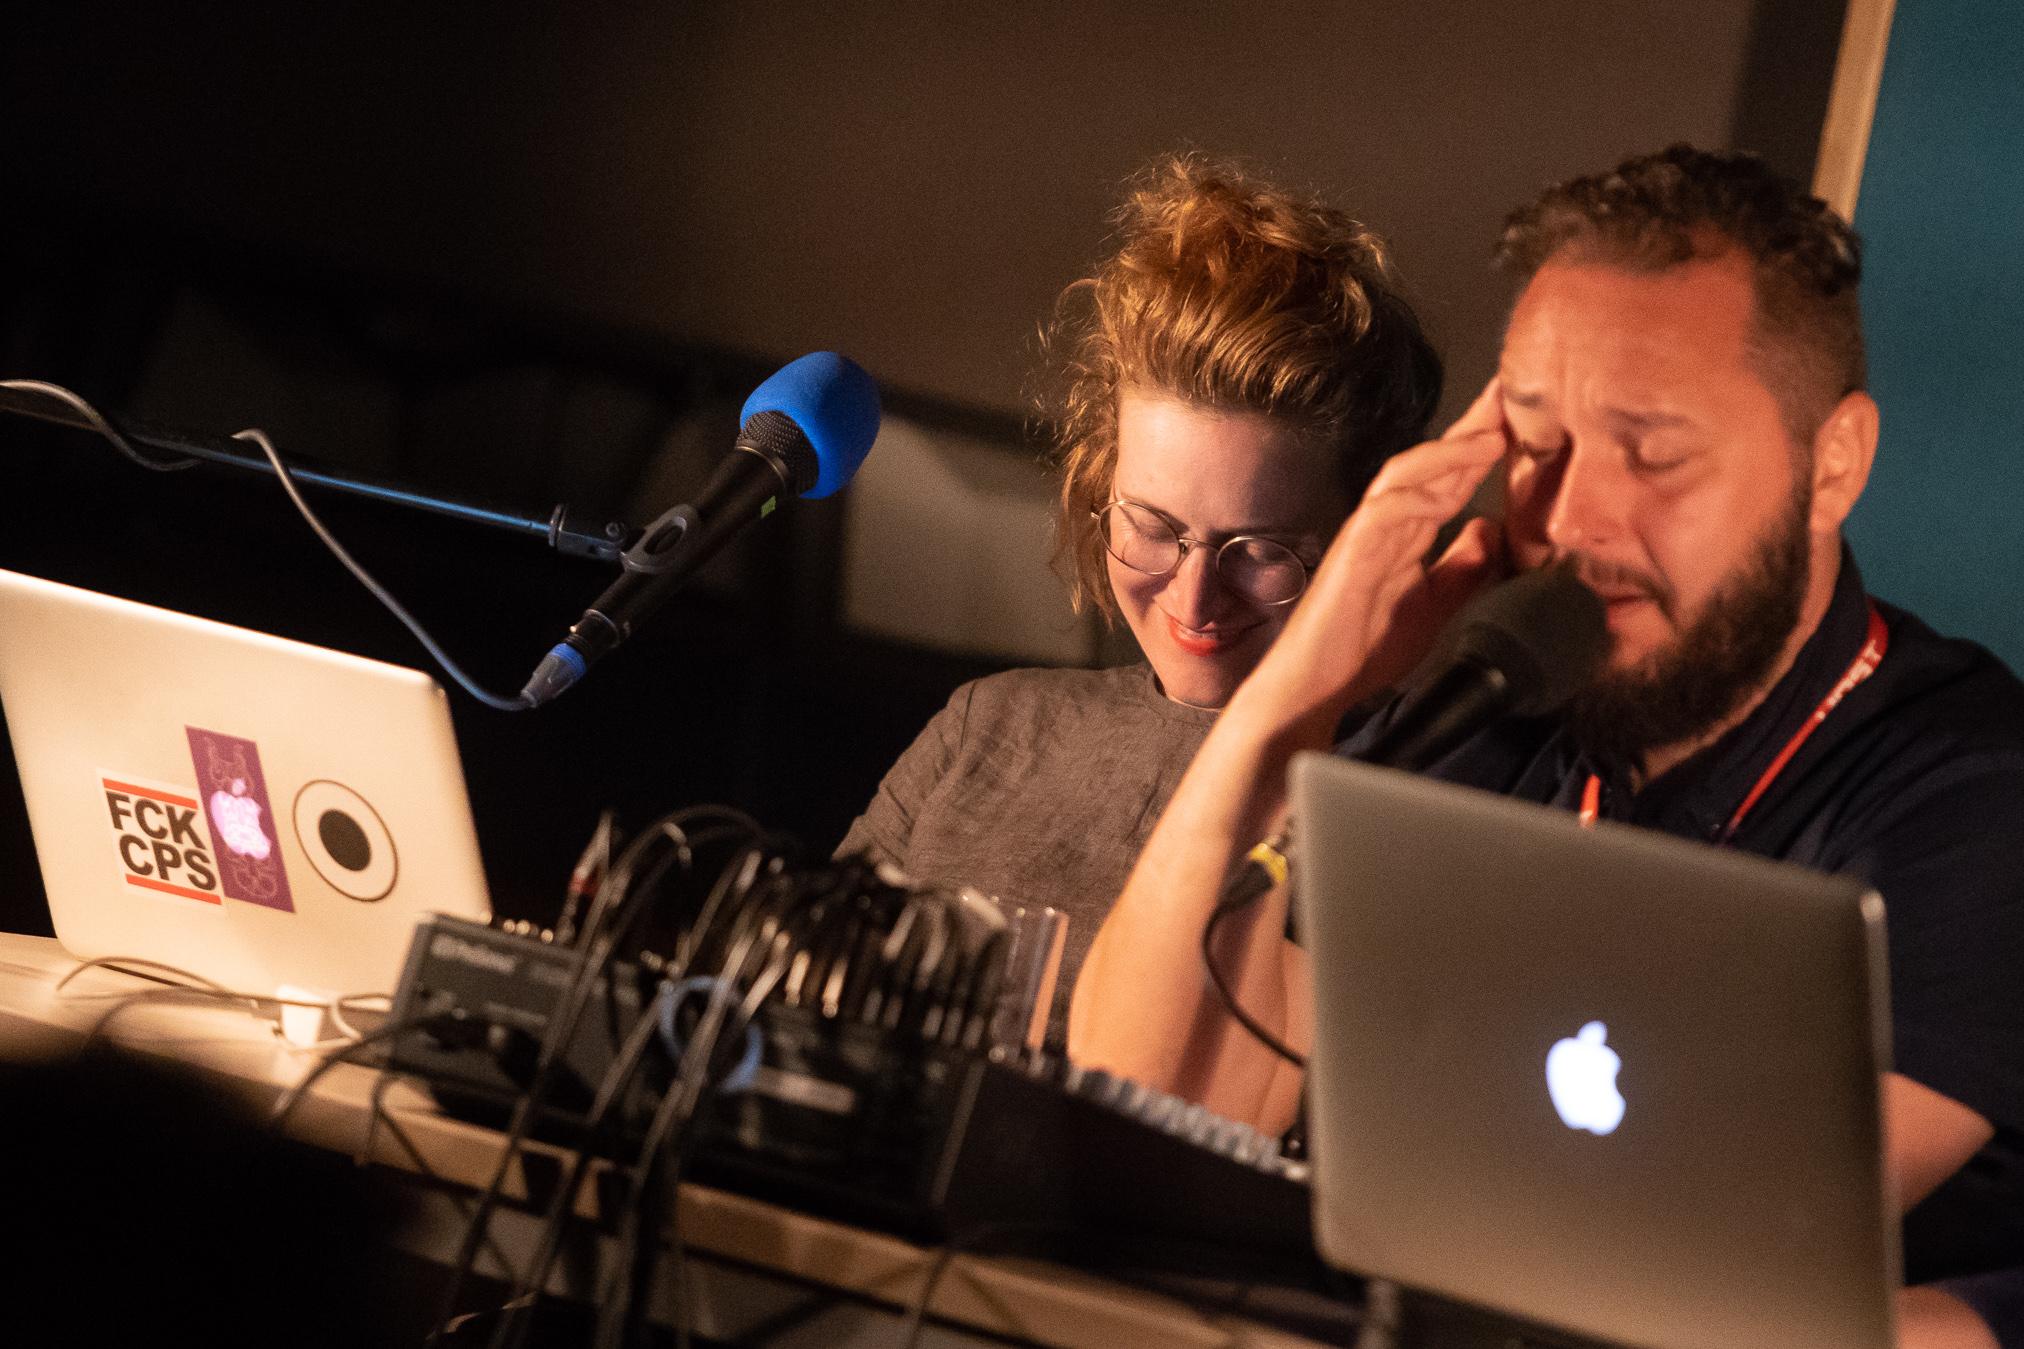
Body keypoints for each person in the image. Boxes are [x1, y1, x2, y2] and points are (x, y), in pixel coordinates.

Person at [1070, 146, 2024, 1347]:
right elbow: (1136, 1111)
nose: (1571, 519)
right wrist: (1295, 694)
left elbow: (1704, 1259)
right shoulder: (1480, 723)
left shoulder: (1973, 796)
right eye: (1535, 441)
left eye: (1651, 452)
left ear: (1829, 464)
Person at [837, 155, 1442, 1033]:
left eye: (1260, 550)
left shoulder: (1419, 804)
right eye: (1154, 526)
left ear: (1362, 538)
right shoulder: (987, 729)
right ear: (1099, 481)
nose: (1195, 598)